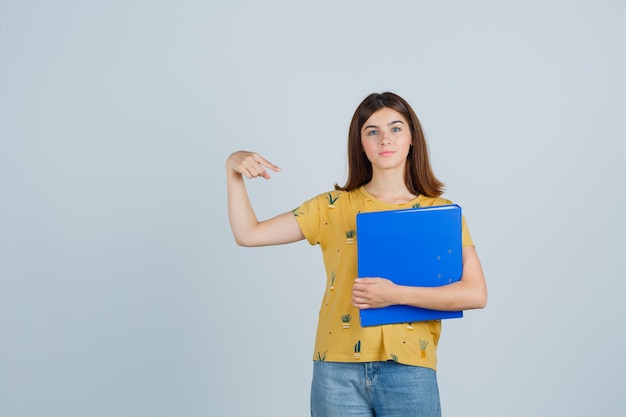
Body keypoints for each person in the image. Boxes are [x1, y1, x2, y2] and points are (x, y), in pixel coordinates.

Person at [225, 92, 487, 417]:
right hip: (336, 370)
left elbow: (475, 293)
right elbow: (248, 234)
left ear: (412, 138)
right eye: (372, 131)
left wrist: (394, 294)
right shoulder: (331, 206)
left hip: (409, 369)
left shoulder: (440, 214)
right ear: (360, 143)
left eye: (395, 128)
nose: (384, 139)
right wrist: (233, 170)